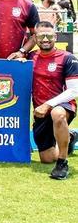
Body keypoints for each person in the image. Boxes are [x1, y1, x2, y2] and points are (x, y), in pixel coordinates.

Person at [25, 21, 78, 180]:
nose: (45, 39)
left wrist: (48, 104)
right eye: (41, 36)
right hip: (40, 113)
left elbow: (74, 90)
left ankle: (62, 163)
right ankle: (69, 138)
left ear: (55, 36)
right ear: (35, 38)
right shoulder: (30, 57)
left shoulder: (68, 58)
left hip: (62, 107)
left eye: (49, 36)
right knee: (47, 158)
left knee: (57, 113)